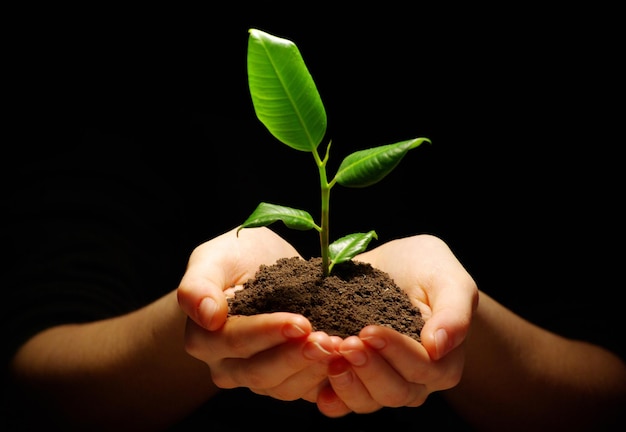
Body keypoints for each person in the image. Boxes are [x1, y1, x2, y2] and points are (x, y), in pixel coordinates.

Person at [3, 10, 625, 432]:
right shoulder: (121, 69)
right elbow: (39, 376)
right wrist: (201, 317)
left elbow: (606, 390)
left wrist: (466, 324)